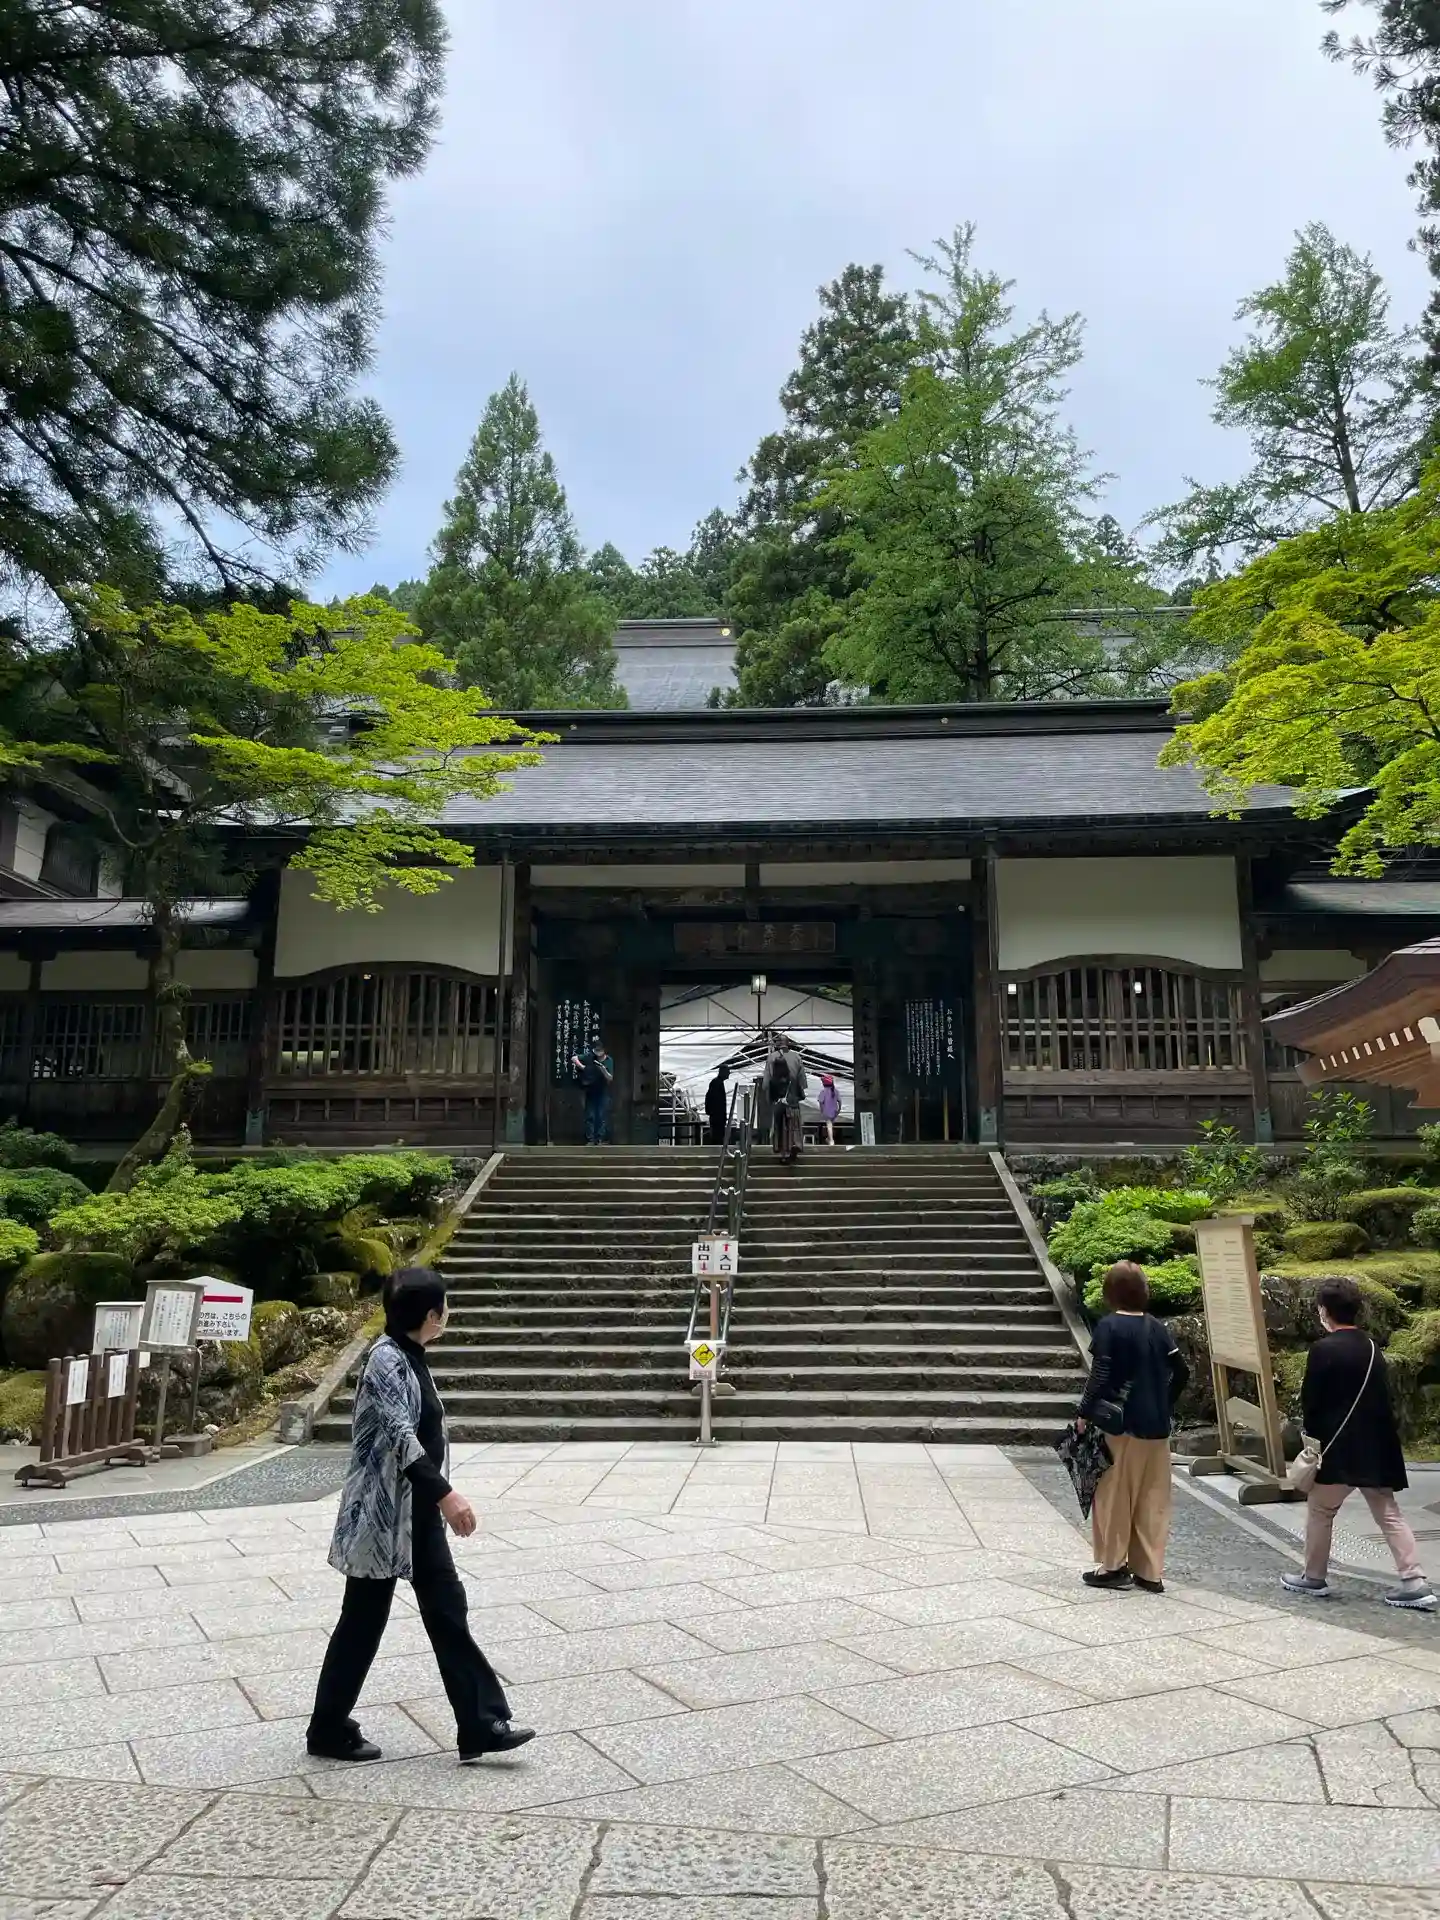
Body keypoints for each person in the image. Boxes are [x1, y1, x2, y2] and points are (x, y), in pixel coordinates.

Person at [308, 1268, 536, 1764]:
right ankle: (326, 1729)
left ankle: (480, 1724)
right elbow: (399, 1434)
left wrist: (435, 1498)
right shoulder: (385, 1360)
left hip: (416, 1515)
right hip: (382, 1518)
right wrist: (446, 1495)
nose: (447, 1313)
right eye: (444, 1306)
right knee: (362, 1622)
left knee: (448, 1610)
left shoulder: (409, 1355)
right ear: (432, 1315)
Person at [1282, 1276, 1435, 1610]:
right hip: (1376, 1447)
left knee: (1321, 1509)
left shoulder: (1322, 1350)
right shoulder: (1371, 1347)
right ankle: (1415, 1581)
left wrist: (1313, 1441)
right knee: (1389, 1514)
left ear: (1325, 1311)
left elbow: (1312, 1402)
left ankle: (1314, 1576)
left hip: (1339, 1448)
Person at [1075, 1260, 1189, 1593]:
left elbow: (1100, 1374)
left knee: (1114, 1495)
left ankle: (1112, 1567)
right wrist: (1164, 1403)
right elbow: (1181, 1371)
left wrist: (1084, 1412)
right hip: (1157, 1427)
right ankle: (1149, 1571)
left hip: (1120, 1427)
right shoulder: (1156, 1327)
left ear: (1110, 1292)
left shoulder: (1109, 1327)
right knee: (1153, 1498)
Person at [573, 1039, 614, 1145]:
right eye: (596, 1050)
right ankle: (590, 1139)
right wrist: (583, 1067)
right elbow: (574, 1058)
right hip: (590, 1089)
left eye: (600, 1050)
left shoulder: (608, 1060)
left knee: (601, 1115)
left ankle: (600, 1138)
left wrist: (603, 1070)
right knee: (590, 1115)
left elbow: (610, 1078)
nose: (598, 1053)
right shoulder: (590, 1057)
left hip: (603, 1090)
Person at [705, 1065, 730, 1146]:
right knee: (717, 1136)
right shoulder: (716, 1083)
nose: (729, 1073)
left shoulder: (716, 1082)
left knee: (717, 1136)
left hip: (717, 1116)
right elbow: (716, 1101)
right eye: (727, 1072)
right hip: (717, 1116)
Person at [818, 1073, 841, 1146]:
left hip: (826, 1111)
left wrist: (822, 1110)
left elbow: (821, 1102)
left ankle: (831, 1140)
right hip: (834, 1111)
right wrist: (839, 1110)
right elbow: (839, 1101)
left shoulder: (823, 1092)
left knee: (829, 1125)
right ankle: (829, 1138)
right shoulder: (835, 1091)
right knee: (831, 1125)